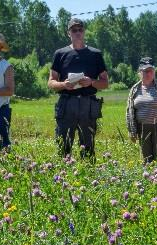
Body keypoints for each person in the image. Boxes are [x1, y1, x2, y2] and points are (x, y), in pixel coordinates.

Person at [48, 18, 109, 160]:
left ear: (84, 31)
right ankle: (63, 179)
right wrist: (64, 85)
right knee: (63, 148)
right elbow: (51, 82)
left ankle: (87, 178)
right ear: (68, 33)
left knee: (88, 150)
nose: (77, 32)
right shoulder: (60, 54)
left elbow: (105, 83)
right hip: (66, 104)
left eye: (80, 29)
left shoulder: (95, 54)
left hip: (88, 106)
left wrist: (91, 82)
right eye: (74, 30)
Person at [126, 57, 157, 164]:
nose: (148, 73)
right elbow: (129, 112)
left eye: (151, 70)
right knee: (146, 159)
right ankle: (148, 178)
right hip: (142, 128)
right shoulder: (135, 89)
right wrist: (131, 130)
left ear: (154, 71)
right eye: (145, 71)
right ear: (140, 72)